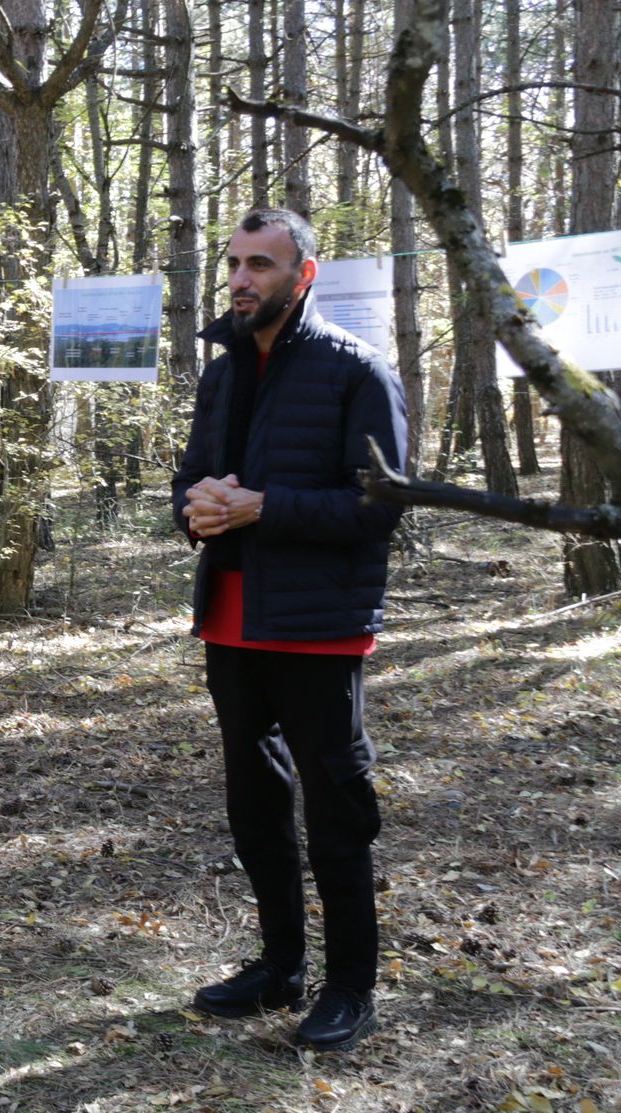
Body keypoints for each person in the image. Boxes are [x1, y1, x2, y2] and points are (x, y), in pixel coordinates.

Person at [173, 208, 407, 1052]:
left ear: (302, 275)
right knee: (255, 807)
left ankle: (351, 986)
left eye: (260, 265)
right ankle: (280, 966)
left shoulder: (356, 370)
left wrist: (261, 507)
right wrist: (195, 512)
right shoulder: (223, 372)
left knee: (337, 813)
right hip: (231, 623)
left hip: (318, 628)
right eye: (234, 263)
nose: (240, 279)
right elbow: (192, 481)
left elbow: (380, 508)